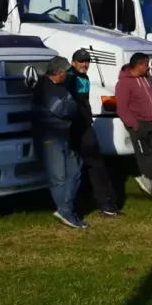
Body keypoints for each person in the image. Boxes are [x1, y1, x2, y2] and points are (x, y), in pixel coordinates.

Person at [32, 56, 87, 229]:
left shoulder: (61, 87)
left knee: (76, 170)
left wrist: (71, 105)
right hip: (50, 138)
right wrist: (73, 105)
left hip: (64, 136)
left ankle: (66, 208)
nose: (67, 74)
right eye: (65, 72)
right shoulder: (44, 88)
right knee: (58, 177)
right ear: (57, 73)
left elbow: (69, 108)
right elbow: (64, 110)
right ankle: (67, 212)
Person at [65, 49, 121, 217]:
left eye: (87, 61)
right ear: (73, 62)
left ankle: (100, 202)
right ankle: (103, 203)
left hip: (85, 125)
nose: (85, 64)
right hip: (75, 127)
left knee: (90, 165)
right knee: (90, 165)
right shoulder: (70, 78)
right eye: (81, 61)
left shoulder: (85, 77)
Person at [115, 52, 152, 196]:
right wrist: (134, 124)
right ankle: (148, 182)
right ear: (138, 65)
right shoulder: (124, 83)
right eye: (146, 64)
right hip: (138, 123)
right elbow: (122, 108)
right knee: (143, 154)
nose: (148, 68)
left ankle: (146, 178)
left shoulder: (146, 78)